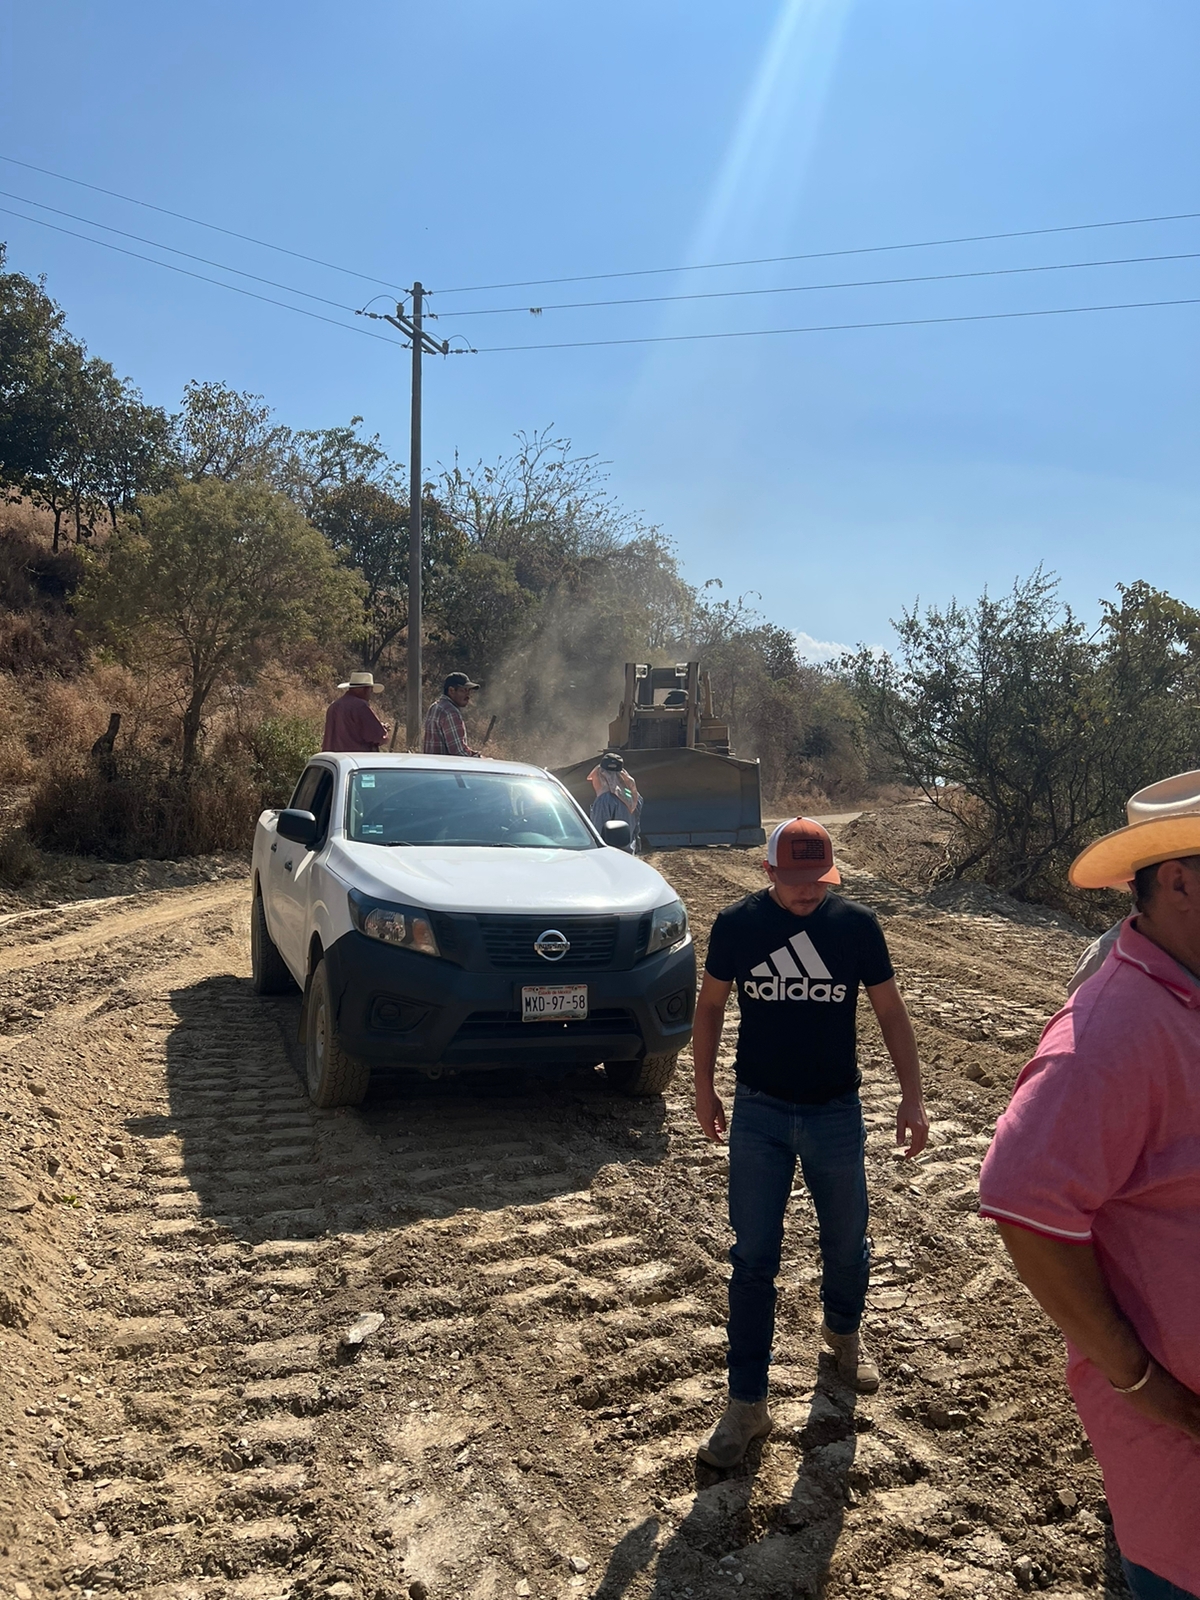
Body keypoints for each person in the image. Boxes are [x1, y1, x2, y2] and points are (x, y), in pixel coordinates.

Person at [979, 769, 1200, 1600]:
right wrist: (1141, 1381)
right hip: (1185, 1469)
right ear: (1178, 879)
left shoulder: (1185, 999)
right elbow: (1021, 1200)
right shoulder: (1111, 1029)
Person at [693, 817, 929, 1469]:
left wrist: (913, 1096)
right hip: (759, 1114)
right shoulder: (738, 927)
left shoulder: (854, 927)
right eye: (795, 881)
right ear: (769, 872)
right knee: (753, 1260)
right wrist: (703, 1086)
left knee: (848, 1241)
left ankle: (843, 1335)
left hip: (834, 1113)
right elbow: (710, 1005)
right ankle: (746, 1404)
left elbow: (889, 1012)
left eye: (817, 881)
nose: (807, 893)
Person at [588, 751, 642, 850]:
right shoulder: (633, 796)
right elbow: (636, 828)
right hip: (629, 854)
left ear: (601, 774)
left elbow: (598, 833)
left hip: (610, 856)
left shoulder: (605, 800)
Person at [322, 672, 388, 753]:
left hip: (333, 761)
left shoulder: (334, 706)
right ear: (365, 689)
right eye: (370, 690)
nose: (370, 694)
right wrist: (383, 730)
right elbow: (379, 737)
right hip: (357, 760)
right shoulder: (361, 706)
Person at [423, 672, 481, 758]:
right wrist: (482, 760)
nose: (468, 695)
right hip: (447, 769)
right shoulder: (450, 712)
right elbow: (459, 752)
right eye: (463, 690)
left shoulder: (435, 707)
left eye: (469, 691)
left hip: (432, 767)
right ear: (451, 690)